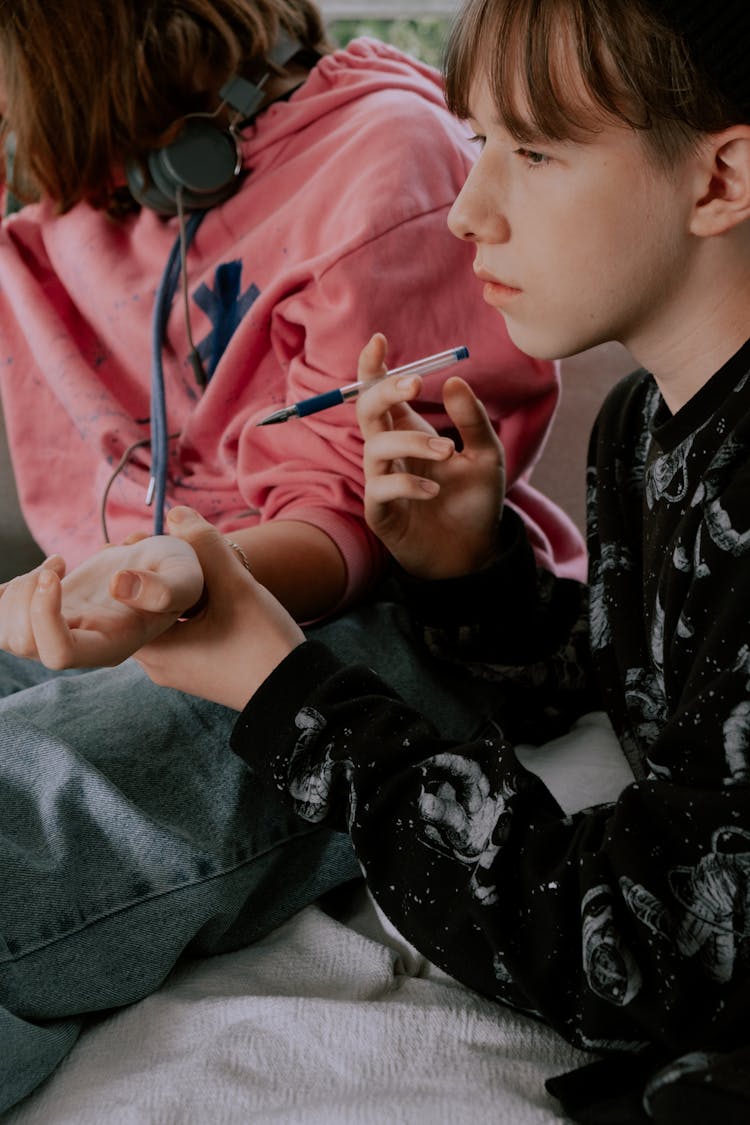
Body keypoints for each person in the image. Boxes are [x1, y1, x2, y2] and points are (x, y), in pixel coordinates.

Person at [35, 0, 750, 1120]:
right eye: (480, 144)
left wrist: (288, 698)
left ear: (719, 182)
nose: (468, 210)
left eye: (534, 152)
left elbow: (645, 952)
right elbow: (640, 688)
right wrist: (470, 568)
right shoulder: (645, 430)